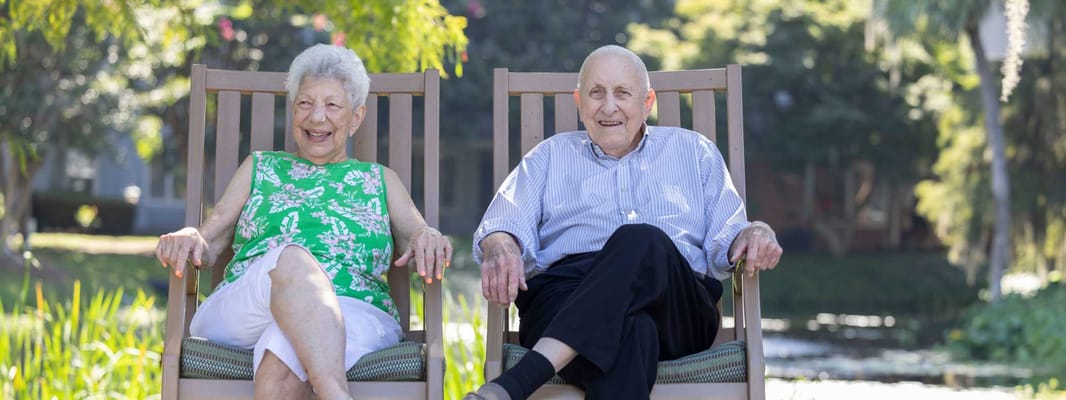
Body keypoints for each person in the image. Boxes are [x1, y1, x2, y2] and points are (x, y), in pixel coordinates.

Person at [465, 45, 783, 400]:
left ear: (647, 102)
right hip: (564, 297)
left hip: (676, 307)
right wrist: (500, 244)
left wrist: (757, 231)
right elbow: (502, 222)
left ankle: (517, 382)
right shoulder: (548, 156)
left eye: (622, 93)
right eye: (596, 93)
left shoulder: (695, 151)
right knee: (635, 329)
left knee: (641, 241)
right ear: (579, 102)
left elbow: (730, 238)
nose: (608, 106)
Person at [155, 44, 452, 400]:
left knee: (283, 358)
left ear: (356, 118)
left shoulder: (380, 179)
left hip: (354, 310)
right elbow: (210, 239)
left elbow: (417, 233)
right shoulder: (260, 167)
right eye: (305, 103)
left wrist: (428, 237)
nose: (317, 117)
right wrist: (190, 236)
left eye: (332, 105)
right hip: (249, 306)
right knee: (293, 259)